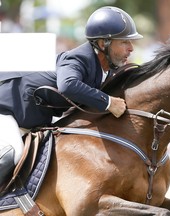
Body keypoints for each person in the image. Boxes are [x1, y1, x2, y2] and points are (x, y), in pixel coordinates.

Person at [0, 6, 143, 185]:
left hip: (33, 117)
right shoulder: (78, 59)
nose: (131, 48)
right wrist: (107, 102)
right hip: (7, 108)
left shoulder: (106, 70)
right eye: (124, 42)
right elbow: (67, 85)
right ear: (102, 43)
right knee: (13, 153)